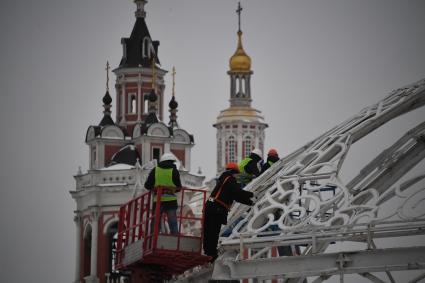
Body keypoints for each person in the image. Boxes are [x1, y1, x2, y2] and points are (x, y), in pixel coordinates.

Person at [203, 163, 255, 261]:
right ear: (234, 172)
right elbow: (237, 192)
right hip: (216, 209)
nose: (237, 177)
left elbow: (236, 196)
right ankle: (211, 254)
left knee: (209, 231)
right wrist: (251, 194)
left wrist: (250, 203)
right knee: (214, 231)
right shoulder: (230, 179)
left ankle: (208, 253)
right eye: (237, 174)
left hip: (211, 206)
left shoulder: (223, 179)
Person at [144, 152, 182, 234]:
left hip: (158, 201)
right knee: (172, 221)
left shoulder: (155, 170)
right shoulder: (174, 171)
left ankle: (152, 237)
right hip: (171, 200)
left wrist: (155, 188)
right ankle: (175, 237)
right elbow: (179, 187)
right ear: (172, 161)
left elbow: (147, 185)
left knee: (155, 220)